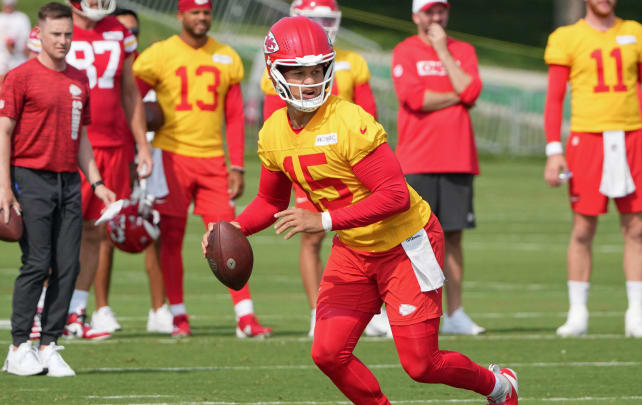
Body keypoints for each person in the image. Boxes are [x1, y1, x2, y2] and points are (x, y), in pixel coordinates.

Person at [202, 16, 518, 404]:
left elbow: (395, 195)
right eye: (297, 72)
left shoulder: (350, 121)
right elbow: (270, 202)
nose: (309, 80)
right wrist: (231, 228)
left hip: (404, 243)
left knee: (422, 364)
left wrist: (323, 220)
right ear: (275, 72)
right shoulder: (272, 133)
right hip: (354, 250)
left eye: (317, 70)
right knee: (328, 353)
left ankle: (499, 385)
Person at [133, 0, 271, 338]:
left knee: (228, 236)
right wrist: (140, 143)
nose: (201, 18)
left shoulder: (227, 56)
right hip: (170, 156)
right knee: (172, 237)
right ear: (181, 15)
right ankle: (178, 315)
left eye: (206, 12)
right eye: (194, 12)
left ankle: (245, 317)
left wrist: (237, 163)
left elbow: (235, 116)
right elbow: (131, 98)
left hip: (212, 159)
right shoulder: (159, 53)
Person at [543, 0, 642, 337]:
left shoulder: (636, 33)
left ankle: (635, 313)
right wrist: (553, 151)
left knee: (635, 228)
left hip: (631, 138)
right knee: (583, 229)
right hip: (587, 139)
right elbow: (555, 97)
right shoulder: (566, 37)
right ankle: (578, 313)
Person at [0, 2, 115, 376]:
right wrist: (4, 187)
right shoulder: (20, 77)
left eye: (68, 34)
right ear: (40, 35)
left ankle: (49, 345)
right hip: (29, 176)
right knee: (36, 263)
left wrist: (97, 183)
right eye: (56, 35)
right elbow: (3, 132)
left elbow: (81, 138)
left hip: (69, 180)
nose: (63, 41)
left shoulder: (80, 79)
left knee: (68, 264)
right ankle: (19, 348)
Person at [260, 0, 386, 338]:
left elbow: (368, 111)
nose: (324, 26)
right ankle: (319, 310)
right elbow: (278, 122)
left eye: (329, 19)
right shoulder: (282, 65)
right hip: (307, 159)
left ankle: (366, 308)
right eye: (316, 19)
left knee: (366, 228)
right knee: (312, 236)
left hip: (348, 155)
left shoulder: (350, 61)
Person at [46, 0, 153, 339]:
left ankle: (76, 312)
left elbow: (130, 93)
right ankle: (45, 311)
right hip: (68, 145)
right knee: (58, 230)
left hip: (114, 146)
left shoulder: (120, 33)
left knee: (96, 231)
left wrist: (143, 144)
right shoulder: (55, 30)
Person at [391, 0, 485, 335]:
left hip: (458, 157)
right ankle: (410, 308)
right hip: (417, 158)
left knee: (454, 236)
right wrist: (457, 93)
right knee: (413, 238)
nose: (436, 17)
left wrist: (444, 52)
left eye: (441, 11)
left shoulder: (462, 50)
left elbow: (473, 91)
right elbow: (415, 98)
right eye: (430, 11)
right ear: (416, 15)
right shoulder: (404, 51)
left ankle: (456, 312)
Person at [89, 6, 173, 334]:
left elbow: (157, 110)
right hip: (109, 157)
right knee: (102, 234)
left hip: (145, 157)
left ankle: (158, 309)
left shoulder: (148, 68)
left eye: (133, 33)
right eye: (122, 32)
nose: (128, 39)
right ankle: (101, 309)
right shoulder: (101, 70)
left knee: (154, 229)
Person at [0, 0, 31, 69]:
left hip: (18, 57)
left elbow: (26, 39)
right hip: (2, 56)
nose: (8, 7)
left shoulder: (22, 18)